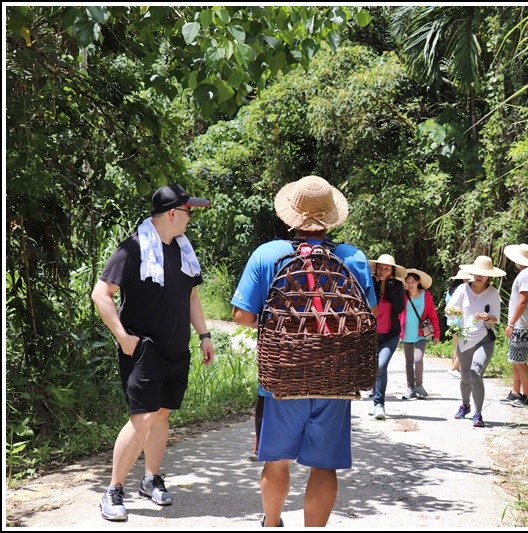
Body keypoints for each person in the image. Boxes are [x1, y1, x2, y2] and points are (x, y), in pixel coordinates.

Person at [230, 175, 377, 527]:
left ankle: (272, 523)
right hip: (336, 377)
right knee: (324, 465)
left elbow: (242, 316)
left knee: (276, 461)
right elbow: (365, 314)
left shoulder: (267, 254)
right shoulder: (354, 258)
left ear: (290, 216)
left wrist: (284, 328)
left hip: (282, 377)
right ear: (331, 217)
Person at [91, 184, 215, 522]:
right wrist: (123, 337)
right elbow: (101, 294)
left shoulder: (183, 249)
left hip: (176, 347)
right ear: (173, 213)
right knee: (142, 417)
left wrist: (203, 335)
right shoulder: (133, 249)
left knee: (161, 414)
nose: (191, 218)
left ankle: (151, 479)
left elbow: (191, 296)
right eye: (189, 211)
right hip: (143, 348)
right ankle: (114, 489)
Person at [444, 255, 505, 428]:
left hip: (484, 339)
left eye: (483, 274)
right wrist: (453, 310)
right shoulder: (463, 289)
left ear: (489, 276)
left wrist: (487, 317)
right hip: (465, 338)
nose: (479, 277)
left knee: (475, 374)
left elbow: (496, 318)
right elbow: (448, 309)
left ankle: (478, 413)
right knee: (464, 377)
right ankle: (465, 405)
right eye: (477, 273)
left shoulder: (493, 293)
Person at [501, 244, 528, 407]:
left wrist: (511, 322)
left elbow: (523, 301)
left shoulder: (527, 274)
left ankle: (526, 396)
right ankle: (515, 392)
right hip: (520, 324)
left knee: (520, 360)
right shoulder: (527, 273)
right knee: (515, 360)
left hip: (522, 325)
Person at [367, 253, 407, 420]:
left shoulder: (397, 286)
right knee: (375, 368)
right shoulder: (370, 283)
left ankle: (379, 403)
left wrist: (390, 287)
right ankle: (376, 402)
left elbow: (399, 308)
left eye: (386, 268)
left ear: (392, 270)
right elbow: (367, 303)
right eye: (380, 268)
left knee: (381, 365)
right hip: (371, 334)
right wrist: (377, 285)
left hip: (390, 334)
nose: (383, 271)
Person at [399, 268, 441, 400]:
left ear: (418, 282)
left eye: (412, 282)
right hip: (406, 333)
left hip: (421, 333)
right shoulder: (403, 295)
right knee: (408, 361)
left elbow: (432, 315)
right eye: (407, 282)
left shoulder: (426, 295)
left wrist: (437, 334)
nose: (409, 285)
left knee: (418, 359)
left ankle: (419, 385)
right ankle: (410, 388)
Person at [445, 269, 473, 378]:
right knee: (462, 346)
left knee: (457, 346)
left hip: (451, 321)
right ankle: (454, 368)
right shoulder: (463, 291)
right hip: (459, 321)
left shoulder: (450, 290)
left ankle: (455, 367)